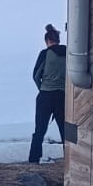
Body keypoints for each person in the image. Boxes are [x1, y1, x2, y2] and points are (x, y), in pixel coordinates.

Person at [29, 24, 66, 164]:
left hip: (46, 95)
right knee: (65, 130)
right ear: (58, 39)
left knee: (40, 130)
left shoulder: (45, 53)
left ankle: (34, 160)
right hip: (62, 96)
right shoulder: (68, 52)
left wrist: (42, 88)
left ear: (47, 41)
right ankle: (70, 159)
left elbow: (36, 75)